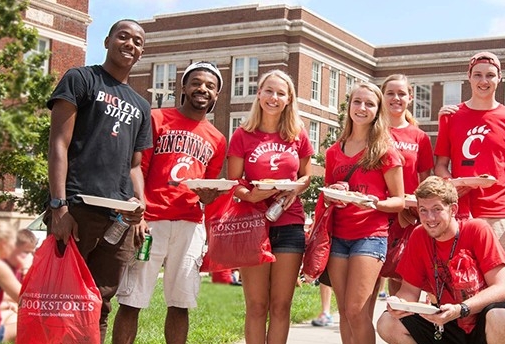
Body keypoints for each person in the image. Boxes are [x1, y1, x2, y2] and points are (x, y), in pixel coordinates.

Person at [46, 19, 151, 341]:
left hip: (118, 218)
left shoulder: (141, 105)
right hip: (78, 208)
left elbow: (135, 166)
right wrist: (59, 207)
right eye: (123, 37)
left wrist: (140, 207)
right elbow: (58, 143)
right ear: (107, 41)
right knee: (62, 298)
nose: (130, 44)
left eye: (137, 41)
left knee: (99, 301)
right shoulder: (81, 79)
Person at [112, 61, 227, 344]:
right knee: (132, 300)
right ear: (184, 87)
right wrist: (138, 215)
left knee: (181, 301)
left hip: (189, 224)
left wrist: (208, 197)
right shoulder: (157, 119)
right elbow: (138, 167)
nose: (203, 89)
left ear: (216, 95)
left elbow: (208, 185)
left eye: (210, 86)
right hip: (151, 222)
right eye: (197, 83)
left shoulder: (217, 138)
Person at [376, 176, 505, 344]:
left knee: (500, 316)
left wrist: (461, 309)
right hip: (447, 319)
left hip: (482, 318)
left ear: (453, 209)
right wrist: (399, 304)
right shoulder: (419, 235)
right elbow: (409, 291)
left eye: (436, 209)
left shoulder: (477, 229)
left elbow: (503, 289)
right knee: (387, 322)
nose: (429, 218)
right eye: (423, 210)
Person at [227, 69, 313, 344]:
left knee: (280, 306)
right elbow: (233, 183)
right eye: (269, 91)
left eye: (280, 93)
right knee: (256, 306)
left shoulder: (297, 134)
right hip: (252, 224)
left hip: (289, 224)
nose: (273, 98)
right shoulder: (242, 134)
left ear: (289, 99)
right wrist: (250, 195)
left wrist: (296, 188)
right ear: (259, 94)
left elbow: (306, 176)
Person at [325, 81, 404, 344]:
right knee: (345, 312)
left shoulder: (385, 150)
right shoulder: (334, 151)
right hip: (338, 237)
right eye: (357, 102)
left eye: (369, 103)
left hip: (370, 236)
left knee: (357, 311)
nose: (362, 108)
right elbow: (326, 197)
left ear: (378, 110)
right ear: (349, 106)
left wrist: (374, 202)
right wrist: (334, 192)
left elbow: (399, 201)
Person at [433, 51, 505, 258]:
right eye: (477, 75)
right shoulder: (451, 117)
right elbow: (441, 165)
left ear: (499, 78)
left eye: (490, 75)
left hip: (499, 214)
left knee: (498, 280)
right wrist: (452, 183)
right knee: (458, 278)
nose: (484, 81)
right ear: (468, 77)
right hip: (459, 211)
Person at [380, 74, 434, 297]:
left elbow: (426, 183)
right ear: (382, 96)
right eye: (390, 93)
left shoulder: (419, 137)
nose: (396, 98)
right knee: (370, 283)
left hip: (407, 217)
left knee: (402, 280)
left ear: (410, 97)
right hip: (377, 213)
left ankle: (399, 330)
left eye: (401, 93)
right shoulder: (374, 132)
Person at [0, 228, 38, 341]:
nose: (29, 257)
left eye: (32, 253)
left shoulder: (31, 268)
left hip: (14, 309)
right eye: (25, 252)